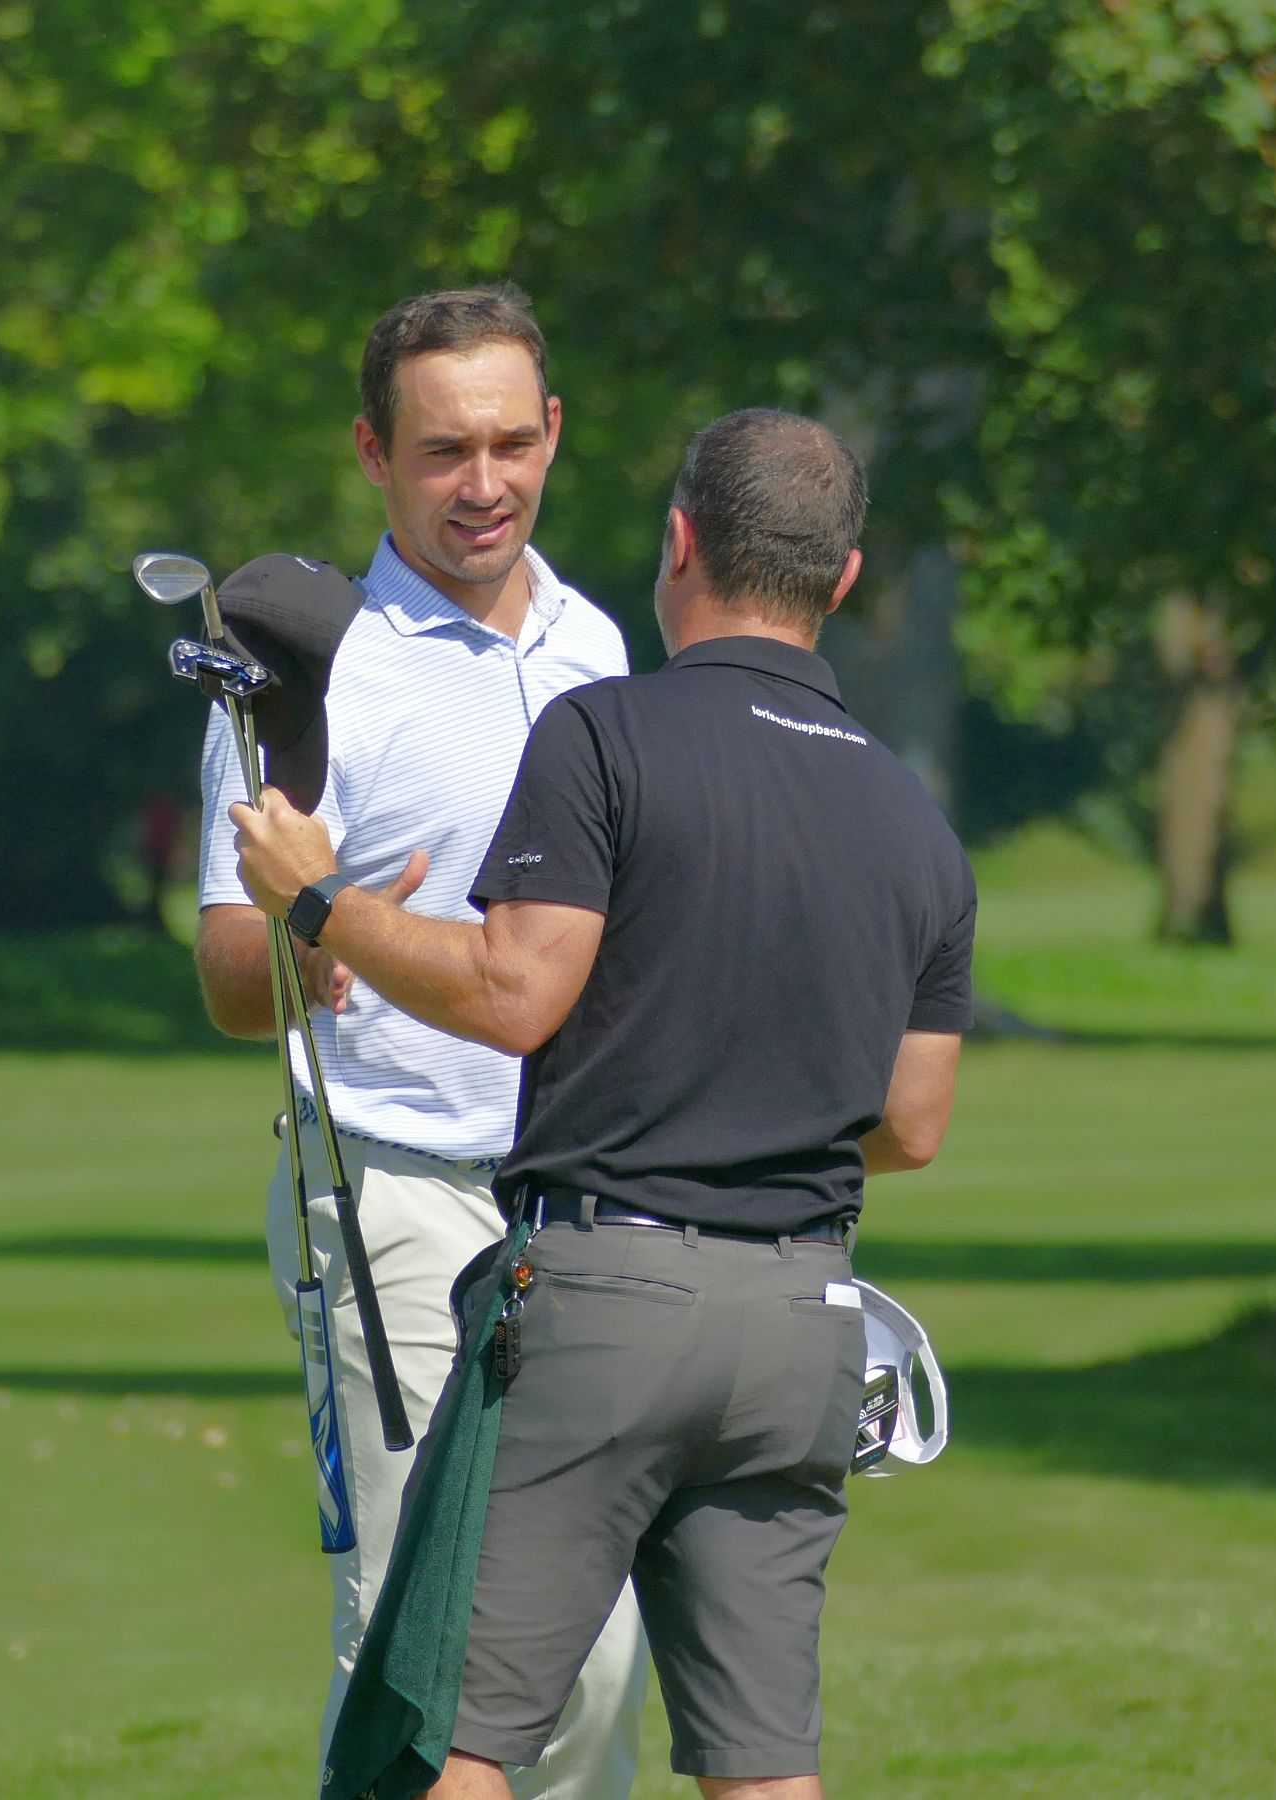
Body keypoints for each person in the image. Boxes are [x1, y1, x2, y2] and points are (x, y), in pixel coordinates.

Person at [233, 407, 977, 1800]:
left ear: (678, 543)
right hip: (805, 1325)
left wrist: (321, 904)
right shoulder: (912, 817)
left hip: (604, 1304)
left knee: (451, 1737)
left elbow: (516, 993)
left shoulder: (605, 733)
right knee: (763, 1769)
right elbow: (912, 1119)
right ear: (849, 577)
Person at [191, 285, 648, 1796]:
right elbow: (229, 978)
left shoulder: (602, 648)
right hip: (385, 1193)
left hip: (584, 1205)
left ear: (556, 434)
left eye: (513, 443)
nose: (485, 483)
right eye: (445, 449)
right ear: (375, 455)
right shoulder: (301, 671)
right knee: (410, 1636)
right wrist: (304, 942)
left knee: (594, 1652)